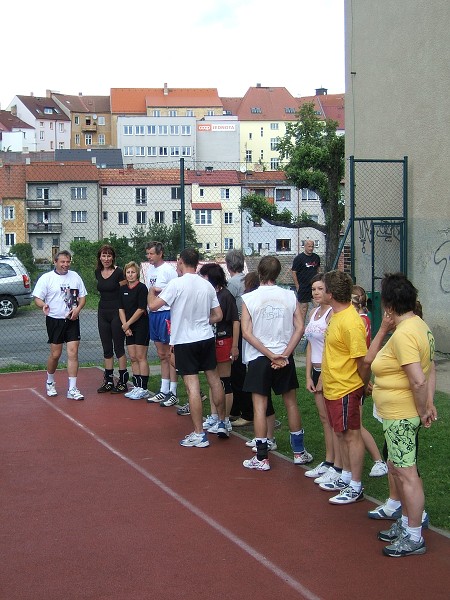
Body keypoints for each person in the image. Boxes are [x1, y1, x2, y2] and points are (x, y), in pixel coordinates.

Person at [365, 274, 436, 557]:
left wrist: (423, 408)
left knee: (406, 474)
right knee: (397, 468)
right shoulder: (417, 325)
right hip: (398, 413)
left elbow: (419, 379)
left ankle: (415, 535)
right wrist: (427, 404)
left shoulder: (406, 333)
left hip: (402, 415)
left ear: (390, 305)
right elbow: (428, 370)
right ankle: (407, 523)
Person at [148, 248, 227, 448]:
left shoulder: (176, 284)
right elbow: (218, 315)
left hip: (185, 340)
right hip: (205, 338)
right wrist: (203, 321)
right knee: (214, 380)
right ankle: (222, 422)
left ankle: (199, 433)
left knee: (193, 386)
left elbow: (154, 306)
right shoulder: (207, 285)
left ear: (180, 261)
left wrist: (151, 291)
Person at [241, 255, 313, 471]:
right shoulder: (290, 296)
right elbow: (300, 327)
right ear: (279, 273)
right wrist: (283, 354)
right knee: (291, 402)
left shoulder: (249, 298)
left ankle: (262, 457)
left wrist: (271, 355)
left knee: (259, 406)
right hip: (283, 356)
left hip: (259, 358)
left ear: (260, 273)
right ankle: (298, 452)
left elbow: (246, 332)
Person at [320, 270, 370, 504]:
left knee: (352, 436)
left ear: (330, 293)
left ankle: (356, 485)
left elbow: (362, 361)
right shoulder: (336, 315)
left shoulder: (351, 323)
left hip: (346, 388)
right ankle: (347, 476)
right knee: (341, 433)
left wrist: (364, 384)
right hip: (333, 386)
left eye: (323, 288)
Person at [33, 250, 87, 401]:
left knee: (73, 352)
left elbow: (82, 297)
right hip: (54, 320)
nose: (65, 264)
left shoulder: (75, 276)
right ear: (55, 262)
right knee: (55, 355)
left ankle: (72, 388)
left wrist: (77, 309)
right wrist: (43, 305)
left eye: (68, 261)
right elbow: (37, 298)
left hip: (72, 319)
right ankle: (50, 381)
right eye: (62, 262)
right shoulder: (47, 278)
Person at [351, 285, 388, 477]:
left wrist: (364, 380)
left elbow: (363, 354)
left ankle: (378, 460)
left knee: (356, 423)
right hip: (354, 376)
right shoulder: (361, 319)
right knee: (352, 424)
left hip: (357, 377)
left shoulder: (360, 321)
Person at [303, 274, 337, 479]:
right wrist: (309, 376)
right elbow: (310, 346)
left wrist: (323, 375)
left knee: (333, 420)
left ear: (329, 291)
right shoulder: (314, 313)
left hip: (329, 372)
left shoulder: (333, 314)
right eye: (314, 289)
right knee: (324, 419)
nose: (316, 293)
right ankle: (329, 459)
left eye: (320, 289)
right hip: (315, 372)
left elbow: (330, 349)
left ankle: (338, 466)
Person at [199, 263, 239, 435]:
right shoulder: (207, 294)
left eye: (204, 276)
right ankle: (215, 415)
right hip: (209, 340)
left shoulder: (226, 296)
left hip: (224, 340)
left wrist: (235, 345)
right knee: (212, 378)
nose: (202, 279)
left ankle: (226, 419)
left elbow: (235, 321)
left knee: (224, 380)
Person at [144, 241, 179, 407]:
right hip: (154, 314)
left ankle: (173, 391)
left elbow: (176, 292)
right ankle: (164, 389)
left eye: (151, 253)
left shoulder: (169, 271)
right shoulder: (151, 269)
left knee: (169, 354)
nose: (148, 257)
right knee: (161, 354)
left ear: (160, 253)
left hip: (166, 313)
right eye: (147, 254)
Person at [95, 244, 129, 394]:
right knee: (107, 348)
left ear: (113, 257)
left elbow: (125, 293)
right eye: (104, 255)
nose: (106, 259)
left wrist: (125, 316)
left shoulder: (119, 273)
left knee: (119, 348)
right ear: (100, 257)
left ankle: (122, 381)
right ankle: (108, 380)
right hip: (102, 312)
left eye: (109, 256)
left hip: (116, 312)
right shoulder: (98, 272)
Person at [225, 249, 254, 427]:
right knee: (240, 368)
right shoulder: (248, 280)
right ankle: (236, 408)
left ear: (228, 266)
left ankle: (246, 410)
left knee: (237, 370)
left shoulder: (233, 284)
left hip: (239, 326)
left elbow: (230, 309)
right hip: (249, 325)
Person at [119, 262, 150, 400]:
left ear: (137, 273)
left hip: (141, 326)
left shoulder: (142, 288)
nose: (130, 275)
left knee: (140, 357)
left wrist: (128, 324)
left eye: (132, 272)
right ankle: (137, 386)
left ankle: (144, 388)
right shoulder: (123, 289)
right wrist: (125, 326)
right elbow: (121, 308)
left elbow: (141, 309)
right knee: (132, 357)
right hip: (128, 328)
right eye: (128, 272)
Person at [291, 239, 321, 321]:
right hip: (303, 286)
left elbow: (318, 270)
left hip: (314, 286)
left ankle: (318, 326)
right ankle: (301, 329)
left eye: (312, 246)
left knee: (318, 306)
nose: (311, 248)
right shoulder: (299, 258)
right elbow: (294, 272)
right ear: (305, 247)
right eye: (309, 246)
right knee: (303, 308)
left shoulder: (316, 257)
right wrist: (297, 286)